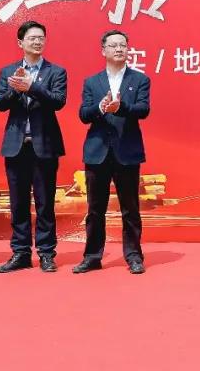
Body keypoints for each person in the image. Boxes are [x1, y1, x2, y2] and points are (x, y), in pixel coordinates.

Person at [73, 30, 151, 275]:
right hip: (97, 152)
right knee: (95, 209)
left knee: (130, 209)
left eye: (123, 45)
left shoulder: (140, 79)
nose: (119, 49)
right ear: (103, 50)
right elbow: (83, 114)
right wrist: (100, 107)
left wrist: (121, 107)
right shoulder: (92, 82)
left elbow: (143, 109)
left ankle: (134, 256)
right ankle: (92, 257)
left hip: (127, 151)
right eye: (113, 45)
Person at [0, 21, 67, 273]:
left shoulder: (56, 71)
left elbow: (58, 101)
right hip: (16, 146)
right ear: (20, 43)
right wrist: (16, 89)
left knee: (45, 202)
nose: (37, 42)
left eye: (41, 38)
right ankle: (21, 252)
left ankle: (46, 253)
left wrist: (32, 87)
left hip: (44, 145)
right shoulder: (8, 71)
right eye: (32, 38)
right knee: (18, 203)